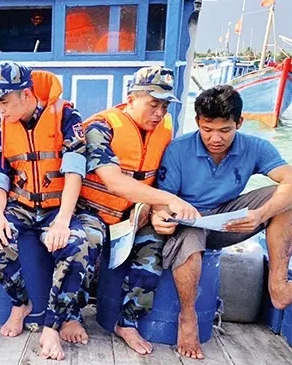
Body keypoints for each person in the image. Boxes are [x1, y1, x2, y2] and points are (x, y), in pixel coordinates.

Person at [152, 84, 292, 359]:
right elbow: (162, 198)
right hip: (188, 223)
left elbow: (289, 179)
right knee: (190, 243)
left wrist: (260, 215)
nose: (215, 138)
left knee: (285, 201)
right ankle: (188, 317)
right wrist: (161, 216)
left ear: (239, 122)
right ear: (197, 123)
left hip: (228, 220)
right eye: (207, 129)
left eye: (225, 130)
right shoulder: (178, 150)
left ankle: (277, 286)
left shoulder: (256, 146)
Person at [77, 66, 199, 354]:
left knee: (155, 245)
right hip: (91, 212)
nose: (159, 113)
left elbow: (157, 179)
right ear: (131, 100)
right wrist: (168, 199)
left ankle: (128, 322)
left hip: (133, 218)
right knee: (84, 242)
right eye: (153, 104)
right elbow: (114, 180)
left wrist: (156, 209)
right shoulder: (100, 127)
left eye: (165, 106)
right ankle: (70, 315)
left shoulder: (165, 129)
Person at [0, 61, 94, 361]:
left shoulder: (67, 117)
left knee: (78, 246)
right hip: (19, 206)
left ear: (26, 95)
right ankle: (20, 304)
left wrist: (63, 221)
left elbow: (74, 171)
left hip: (56, 208)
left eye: (4, 101)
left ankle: (52, 325)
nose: (0, 108)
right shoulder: (0, 128)